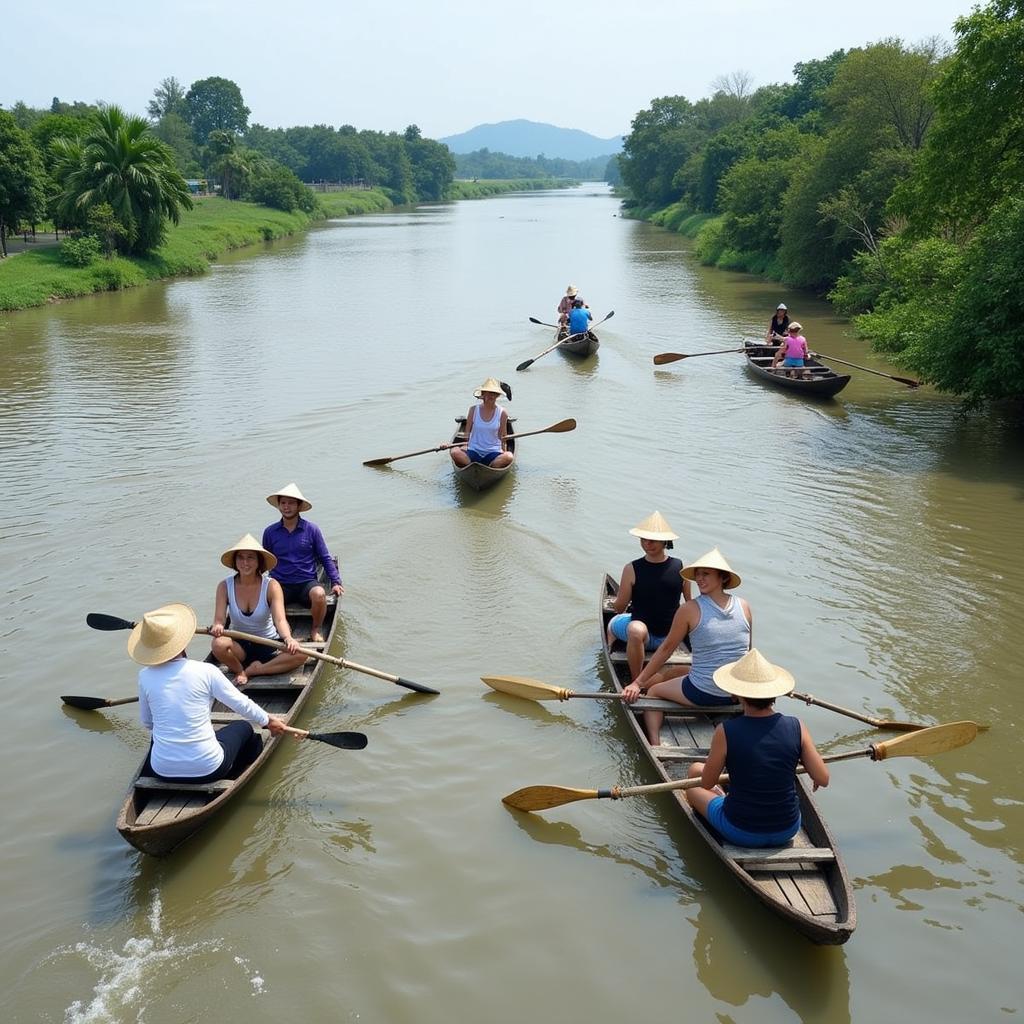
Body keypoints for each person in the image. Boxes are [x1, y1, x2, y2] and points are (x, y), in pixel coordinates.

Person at [130, 603, 296, 784]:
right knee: (245, 729)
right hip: (209, 769)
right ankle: (238, 775)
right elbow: (240, 703)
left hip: (161, 770)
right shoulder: (206, 671)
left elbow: (148, 723)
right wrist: (269, 721)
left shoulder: (144, 676)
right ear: (183, 640)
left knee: (158, 736)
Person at [684, 648, 830, 848]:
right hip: (787, 830)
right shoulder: (797, 726)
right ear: (774, 694)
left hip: (741, 830)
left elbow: (708, 782)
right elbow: (822, 778)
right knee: (696, 770)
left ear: (737, 694)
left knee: (692, 788)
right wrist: (800, 757)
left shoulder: (725, 731)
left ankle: (725, 807)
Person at [622, 547, 751, 745]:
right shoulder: (744, 606)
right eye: (697, 575)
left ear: (723, 578)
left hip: (704, 692)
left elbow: (666, 650)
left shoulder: (689, 609)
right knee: (677, 672)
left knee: (654, 691)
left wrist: (637, 684)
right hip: (736, 693)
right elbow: (749, 656)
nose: (699, 579)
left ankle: (655, 744)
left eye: (706, 574)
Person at [210, 533, 305, 687]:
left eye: (250, 558)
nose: (245, 562)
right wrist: (218, 626)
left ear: (258, 561)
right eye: (240, 557)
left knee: (301, 654)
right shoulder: (224, 586)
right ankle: (239, 670)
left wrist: (288, 638)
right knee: (217, 645)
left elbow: (280, 620)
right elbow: (219, 619)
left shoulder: (271, 585)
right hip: (239, 646)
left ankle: (255, 670)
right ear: (235, 561)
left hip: (267, 643)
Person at [607, 511, 691, 680]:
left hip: (667, 638)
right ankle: (636, 680)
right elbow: (689, 603)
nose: (647, 543)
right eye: (644, 539)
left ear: (664, 542)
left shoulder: (632, 569)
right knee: (636, 629)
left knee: (614, 623)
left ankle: (614, 649)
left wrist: (614, 605)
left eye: (652, 540)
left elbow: (620, 607)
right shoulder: (680, 566)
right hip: (652, 636)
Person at [262, 483, 343, 643]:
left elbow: (325, 557)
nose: (286, 507)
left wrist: (335, 581)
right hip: (280, 584)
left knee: (320, 594)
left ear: (299, 506)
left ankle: (316, 628)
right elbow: (263, 561)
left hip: (306, 583)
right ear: (278, 505)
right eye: (283, 503)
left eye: (291, 503)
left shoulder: (312, 529)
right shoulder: (270, 532)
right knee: (264, 597)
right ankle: (284, 632)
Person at [445, 377, 514, 469]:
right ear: (483, 394)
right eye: (488, 393)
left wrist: (504, 451)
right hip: (474, 450)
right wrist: (465, 445)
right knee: (454, 452)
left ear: (497, 395)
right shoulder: (473, 410)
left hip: (493, 451)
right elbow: (467, 433)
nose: (491, 396)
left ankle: (489, 467)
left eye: (493, 393)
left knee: (509, 456)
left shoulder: (502, 412)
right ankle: (472, 466)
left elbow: (503, 437)